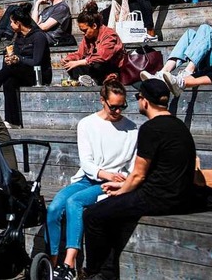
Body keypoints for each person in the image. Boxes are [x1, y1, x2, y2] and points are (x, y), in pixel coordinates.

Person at [83, 79, 196, 280]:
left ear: (145, 101)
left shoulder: (150, 129)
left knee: (94, 214)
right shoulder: (179, 126)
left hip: (157, 198)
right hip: (180, 194)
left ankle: (97, 273)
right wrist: (122, 183)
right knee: (111, 211)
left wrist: (120, 191)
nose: (138, 101)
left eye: (138, 97)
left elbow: (138, 174)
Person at [47, 78, 138, 280]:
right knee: (53, 209)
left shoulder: (132, 129)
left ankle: (69, 263)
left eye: (122, 106)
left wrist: (120, 180)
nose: (117, 111)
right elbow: (87, 163)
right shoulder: (87, 124)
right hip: (90, 177)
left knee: (74, 202)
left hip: (111, 182)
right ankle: (52, 263)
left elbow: (133, 166)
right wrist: (105, 173)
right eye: (113, 106)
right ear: (102, 101)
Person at [0, 4, 52, 127]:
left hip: (39, 74)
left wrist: (18, 59)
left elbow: (36, 61)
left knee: (10, 70)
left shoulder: (38, 36)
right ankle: (13, 121)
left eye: (11, 22)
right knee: (9, 82)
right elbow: (16, 56)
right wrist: (11, 59)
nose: (10, 25)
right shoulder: (19, 37)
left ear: (18, 23)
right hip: (22, 72)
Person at [140, 24, 212, 97]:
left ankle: (188, 72)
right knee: (190, 34)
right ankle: (162, 73)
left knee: (205, 28)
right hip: (209, 62)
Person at [61, 2, 124, 86]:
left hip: (111, 67)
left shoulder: (109, 34)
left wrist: (79, 62)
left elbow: (102, 57)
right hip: (95, 67)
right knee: (73, 65)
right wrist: (69, 59)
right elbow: (80, 53)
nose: (84, 34)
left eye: (85, 30)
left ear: (94, 26)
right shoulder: (88, 37)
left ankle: (94, 80)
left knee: (96, 65)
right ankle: (86, 80)